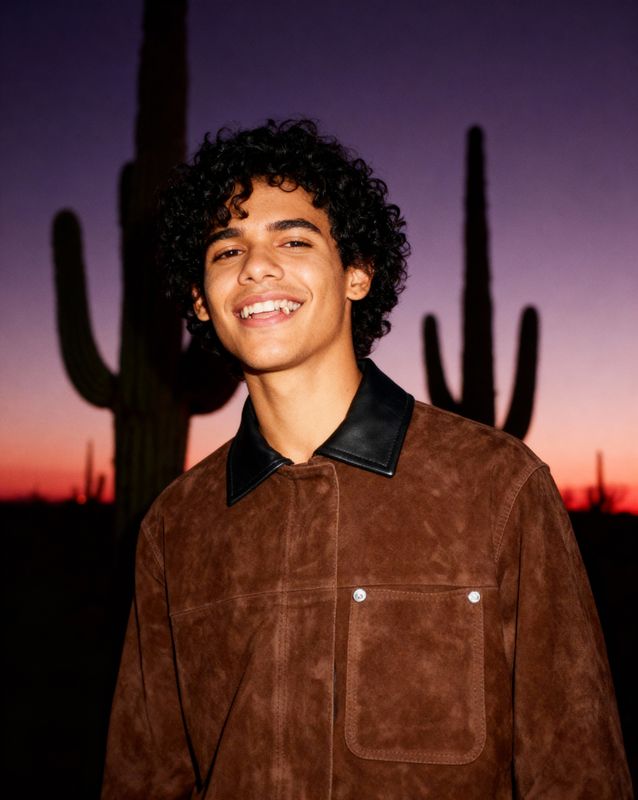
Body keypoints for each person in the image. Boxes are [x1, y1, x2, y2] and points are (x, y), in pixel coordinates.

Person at [101, 119, 632, 799]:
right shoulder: (176, 525)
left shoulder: (498, 485)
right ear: (202, 301)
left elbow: (577, 769)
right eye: (227, 250)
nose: (256, 266)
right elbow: (145, 778)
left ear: (357, 273)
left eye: (293, 240)